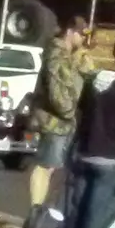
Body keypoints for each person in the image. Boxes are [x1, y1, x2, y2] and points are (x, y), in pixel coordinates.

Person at [63, 35, 115, 228]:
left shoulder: (93, 78)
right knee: (96, 220)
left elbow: (79, 114)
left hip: (83, 152)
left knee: (77, 213)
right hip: (109, 158)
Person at [30, 16, 89, 217]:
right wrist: (69, 111)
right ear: (70, 32)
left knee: (52, 167)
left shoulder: (69, 56)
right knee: (45, 165)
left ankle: (40, 211)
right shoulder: (56, 54)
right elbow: (57, 91)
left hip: (63, 121)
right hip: (54, 120)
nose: (83, 39)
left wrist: (81, 62)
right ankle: (35, 211)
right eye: (81, 34)